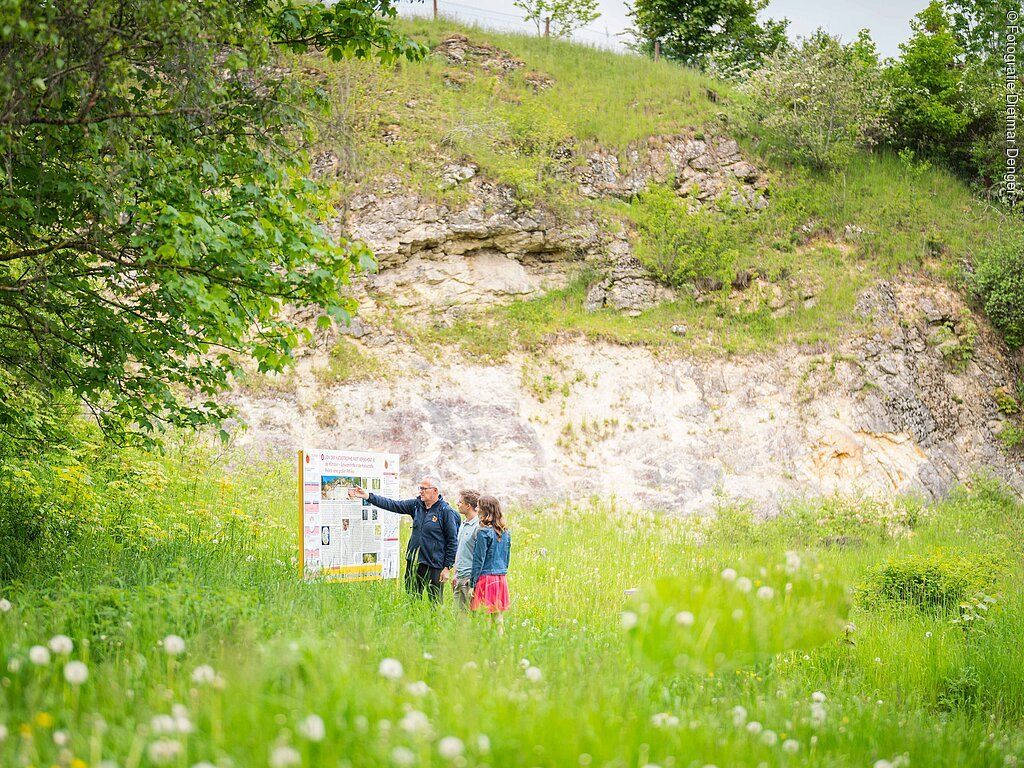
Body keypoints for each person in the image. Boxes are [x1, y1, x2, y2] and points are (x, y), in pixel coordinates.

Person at [348, 475, 459, 603]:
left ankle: (436, 623)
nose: (420, 491)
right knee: (411, 600)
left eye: (424, 488)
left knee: (435, 604)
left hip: (434, 566)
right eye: (420, 488)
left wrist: (447, 568)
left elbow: (452, 541)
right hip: (414, 563)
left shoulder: (445, 511)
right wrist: (368, 496)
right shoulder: (416, 506)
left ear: (435, 491)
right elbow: (393, 505)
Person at [469, 495, 511, 633]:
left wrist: (472, 584)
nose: (476, 509)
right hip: (501, 577)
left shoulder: (483, 532)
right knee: (498, 616)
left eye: (479, 506)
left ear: (485, 509)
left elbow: (478, 560)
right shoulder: (506, 532)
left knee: (484, 616)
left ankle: (485, 646)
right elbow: (507, 557)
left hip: (486, 578)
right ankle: (499, 644)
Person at [451, 489, 481, 611]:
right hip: (459, 577)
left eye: (460, 502)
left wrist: (474, 581)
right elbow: (461, 551)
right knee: (458, 618)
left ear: (468, 506)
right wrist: (455, 574)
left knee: (473, 617)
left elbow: (480, 555)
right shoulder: (463, 524)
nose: (457, 504)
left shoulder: (479, 526)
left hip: (470, 579)